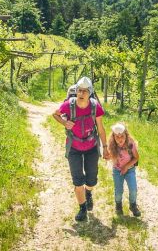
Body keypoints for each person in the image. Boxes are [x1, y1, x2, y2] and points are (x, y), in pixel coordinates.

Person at [52, 76, 109, 222]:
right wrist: (64, 122)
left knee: (91, 179)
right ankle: (82, 208)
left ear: (90, 92)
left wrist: (105, 147)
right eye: (79, 90)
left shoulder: (95, 106)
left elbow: (101, 128)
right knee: (78, 180)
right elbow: (55, 114)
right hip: (74, 148)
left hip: (91, 147)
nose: (82, 93)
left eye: (85, 91)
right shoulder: (68, 105)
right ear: (76, 91)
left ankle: (88, 193)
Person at [108, 122, 141, 217]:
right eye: (116, 137)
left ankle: (133, 205)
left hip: (130, 169)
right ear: (113, 137)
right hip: (117, 170)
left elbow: (136, 157)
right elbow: (109, 156)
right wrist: (107, 156)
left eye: (122, 136)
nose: (119, 139)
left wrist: (126, 166)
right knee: (118, 190)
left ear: (126, 135)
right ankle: (118, 205)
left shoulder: (130, 143)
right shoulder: (111, 144)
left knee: (133, 189)